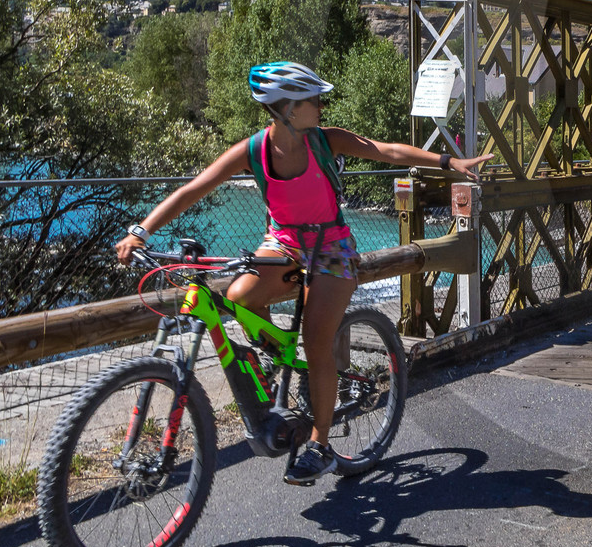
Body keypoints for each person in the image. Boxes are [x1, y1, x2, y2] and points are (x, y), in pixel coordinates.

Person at [115, 61, 494, 485]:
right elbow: (192, 189)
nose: (320, 104)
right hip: (283, 243)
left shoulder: (326, 141)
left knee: (317, 343)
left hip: (331, 246)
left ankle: (321, 446)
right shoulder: (253, 151)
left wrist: (448, 162)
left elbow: (385, 150)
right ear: (288, 109)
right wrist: (141, 231)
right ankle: (275, 358)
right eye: (313, 99)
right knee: (239, 299)